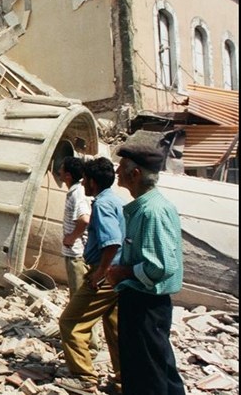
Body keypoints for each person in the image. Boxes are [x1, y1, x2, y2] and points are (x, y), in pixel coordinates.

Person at [107, 144, 185, 395]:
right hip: (146, 304)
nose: (117, 172)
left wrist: (123, 272)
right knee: (158, 368)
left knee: (146, 375)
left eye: (121, 167)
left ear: (135, 173)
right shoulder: (147, 207)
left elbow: (161, 266)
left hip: (145, 305)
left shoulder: (152, 212)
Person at [57, 157, 124, 394]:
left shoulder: (103, 205)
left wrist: (100, 273)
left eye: (86, 179)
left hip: (105, 275)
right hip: (118, 276)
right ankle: (122, 380)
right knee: (115, 329)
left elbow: (112, 242)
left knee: (70, 322)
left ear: (93, 182)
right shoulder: (115, 201)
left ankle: (84, 378)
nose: (83, 182)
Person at [59, 156, 101, 353]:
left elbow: (84, 219)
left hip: (76, 254)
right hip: (76, 252)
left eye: (61, 170)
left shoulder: (77, 193)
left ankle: (88, 344)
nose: (58, 173)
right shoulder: (76, 191)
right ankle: (85, 339)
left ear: (67, 174)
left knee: (79, 299)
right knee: (78, 298)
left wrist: (71, 238)